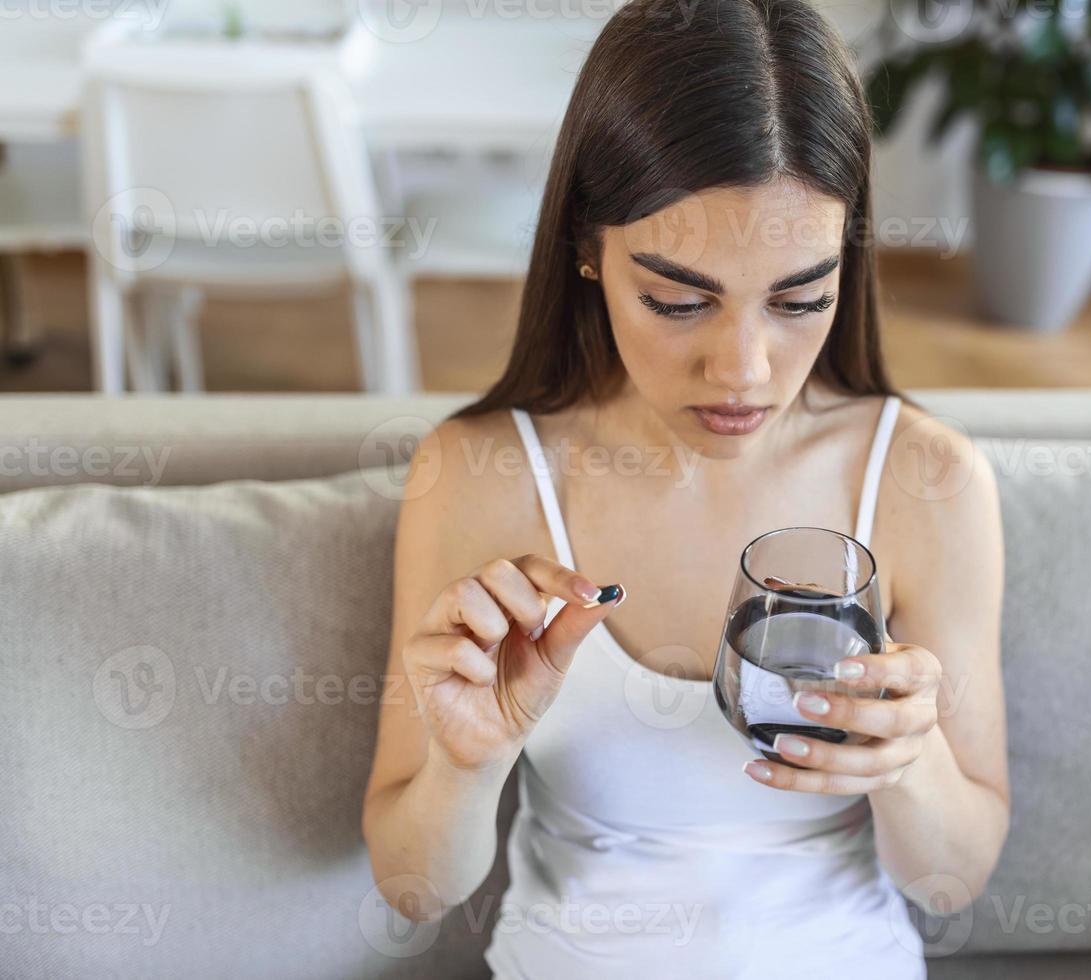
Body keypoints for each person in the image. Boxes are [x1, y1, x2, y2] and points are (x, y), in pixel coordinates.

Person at [362, 0, 1009, 975]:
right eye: (677, 299)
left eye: (800, 299)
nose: (744, 369)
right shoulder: (480, 475)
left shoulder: (927, 480)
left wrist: (905, 761)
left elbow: (951, 881)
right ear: (588, 247)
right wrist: (468, 759)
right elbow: (414, 885)